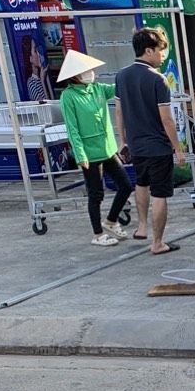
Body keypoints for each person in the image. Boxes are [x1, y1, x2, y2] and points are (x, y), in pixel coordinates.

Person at [114, 27, 186, 256]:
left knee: (141, 184)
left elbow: (119, 111)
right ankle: (158, 243)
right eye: (160, 51)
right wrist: (178, 149)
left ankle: (142, 227)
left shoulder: (121, 76)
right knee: (160, 194)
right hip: (157, 147)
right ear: (148, 51)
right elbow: (167, 119)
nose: (162, 56)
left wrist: (123, 140)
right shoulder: (158, 80)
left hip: (136, 146)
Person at [58, 49, 134, 248]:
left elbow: (118, 88)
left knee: (126, 185)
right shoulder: (68, 96)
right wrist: (80, 154)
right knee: (96, 194)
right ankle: (98, 234)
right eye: (86, 70)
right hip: (89, 153)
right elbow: (72, 128)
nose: (91, 73)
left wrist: (134, 73)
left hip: (107, 148)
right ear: (75, 75)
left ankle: (111, 220)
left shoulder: (98, 89)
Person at [21, 34, 53, 101]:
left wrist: (46, 78)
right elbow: (46, 105)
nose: (38, 54)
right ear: (30, 58)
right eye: (35, 51)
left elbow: (53, 99)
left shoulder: (42, 75)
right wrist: (42, 81)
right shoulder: (31, 83)